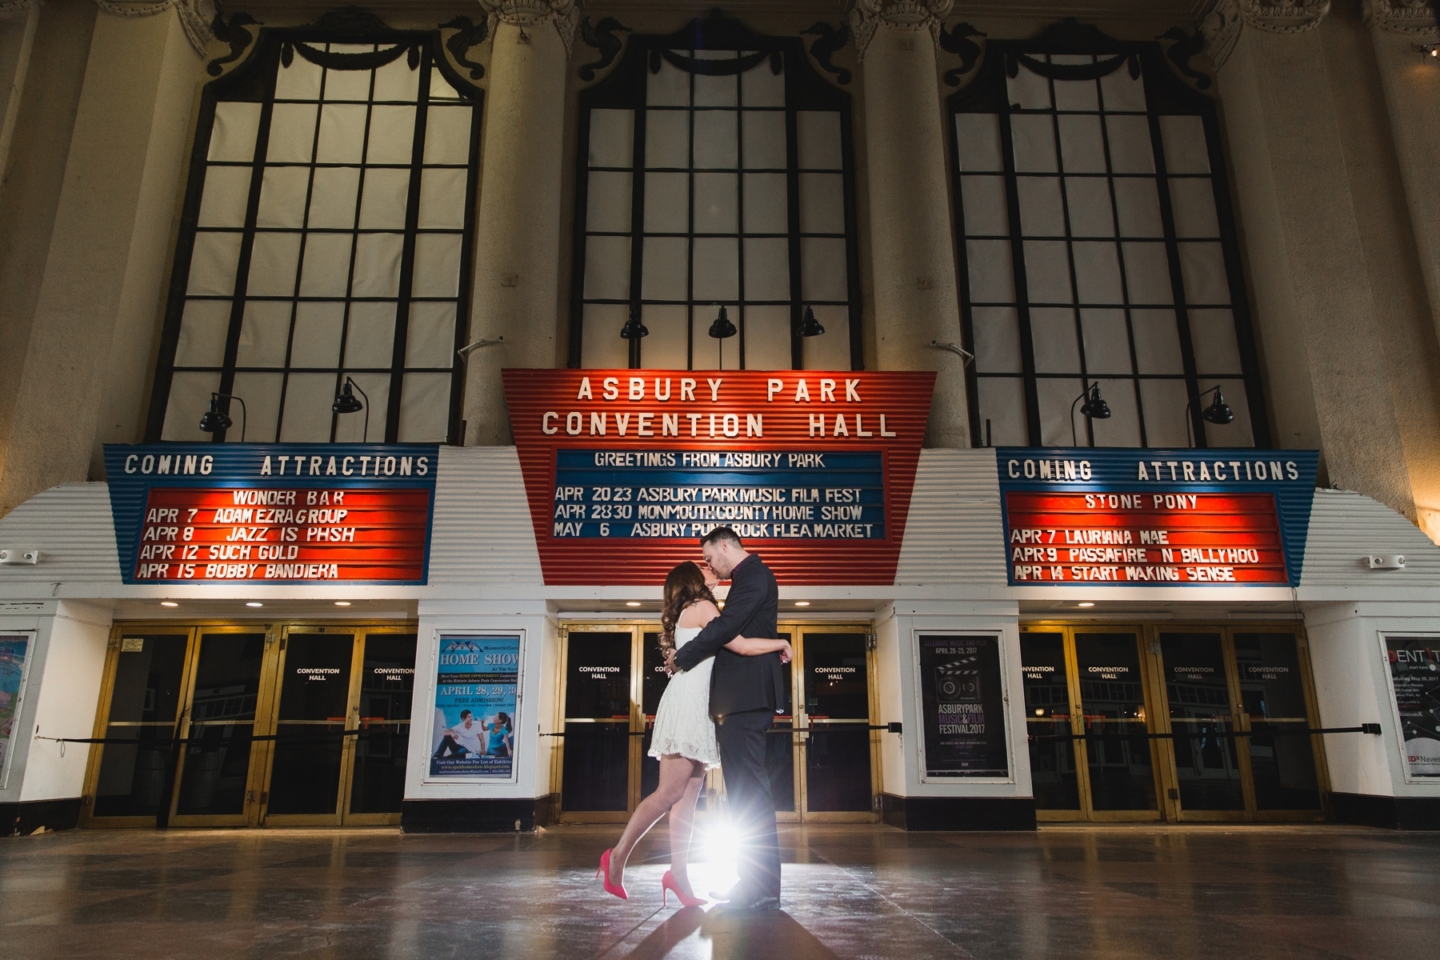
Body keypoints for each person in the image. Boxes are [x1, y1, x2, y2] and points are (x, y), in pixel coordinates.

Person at [598, 559, 791, 907]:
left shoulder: (697, 607)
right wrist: (780, 643)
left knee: (687, 798)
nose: (712, 570)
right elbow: (742, 646)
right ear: (692, 580)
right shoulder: (702, 607)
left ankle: (679, 876)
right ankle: (617, 857)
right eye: (704, 569)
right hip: (689, 705)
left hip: (701, 707)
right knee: (669, 793)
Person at [667, 527, 786, 913]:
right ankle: (751, 882)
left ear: (723, 546)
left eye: (708, 557)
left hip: (748, 699)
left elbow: (726, 628)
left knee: (750, 793)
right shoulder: (747, 578)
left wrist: (681, 657)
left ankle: (762, 888)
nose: (709, 564)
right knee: (744, 793)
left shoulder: (753, 575)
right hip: (742, 699)